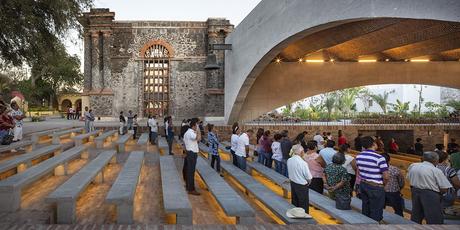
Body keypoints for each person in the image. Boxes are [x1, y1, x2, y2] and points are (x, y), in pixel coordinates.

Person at [407, 151, 453, 224]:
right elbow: (444, 188)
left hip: (415, 191)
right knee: (434, 217)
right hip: (430, 194)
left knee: (416, 214)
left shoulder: (413, 165)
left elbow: (408, 177)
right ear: (435, 160)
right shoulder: (435, 170)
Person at [353, 136, 389, 222]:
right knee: (376, 210)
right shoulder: (379, 157)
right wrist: (383, 185)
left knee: (366, 207)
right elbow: (386, 176)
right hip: (376, 186)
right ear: (373, 144)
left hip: (364, 184)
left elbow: (358, 169)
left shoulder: (358, 156)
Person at [287, 144, 312, 213]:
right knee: (303, 203)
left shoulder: (289, 160)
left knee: (295, 200)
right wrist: (309, 181)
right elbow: (308, 177)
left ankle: (295, 215)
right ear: (301, 152)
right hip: (301, 185)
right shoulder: (302, 163)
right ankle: (303, 218)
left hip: (293, 182)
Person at [381, 152, 405, 216]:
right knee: (398, 209)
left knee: (380, 208)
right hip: (393, 192)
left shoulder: (376, 168)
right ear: (389, 161)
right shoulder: (394, 169)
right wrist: (400, 188)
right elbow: (401, 181)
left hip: (380, 190)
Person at [183, 118, 202, 195]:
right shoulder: (191, 133)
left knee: (188, 170)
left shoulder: (187, 132)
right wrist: (198, 131)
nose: (197, 127)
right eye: (196, 125)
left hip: (189, 153)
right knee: (191, 171)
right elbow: (198, 139)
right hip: (192, 154)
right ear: (194, 126)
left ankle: (188, 186)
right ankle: (191, 189)